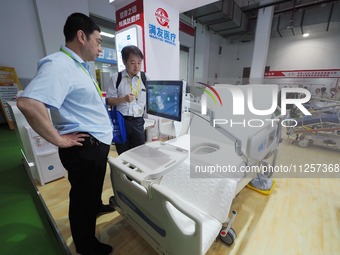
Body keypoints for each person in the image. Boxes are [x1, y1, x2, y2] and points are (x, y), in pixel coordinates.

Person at [17, 13, 114, 255]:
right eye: (99, 40)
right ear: (82, 36)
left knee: (90, 192)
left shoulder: (78, 67)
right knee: (82, 198)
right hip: (84, 147)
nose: (100, 47)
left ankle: (96, 206)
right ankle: (85, 245)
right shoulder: (59, 64)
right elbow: (28, 103)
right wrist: (58, 139)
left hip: (95, 144)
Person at [106, 45, 150, 155]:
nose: (137, 66)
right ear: (124, 62)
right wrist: (123, 99)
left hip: (138, 122)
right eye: (133, 62)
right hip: (121, 121)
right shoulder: (116, 78)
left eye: (139, 63)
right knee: (123, 153)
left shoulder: (146, 78)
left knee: (140, 153)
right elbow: (109, 101)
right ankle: (126, 172)